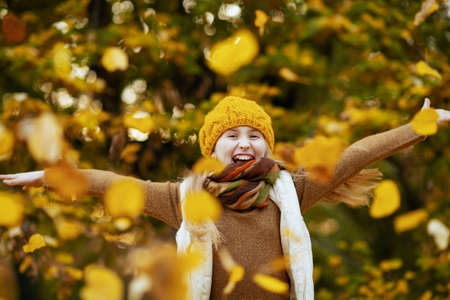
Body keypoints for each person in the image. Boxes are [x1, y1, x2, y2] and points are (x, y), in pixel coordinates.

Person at [1, 96, 449, 300]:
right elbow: (111, 183)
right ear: (211, 149)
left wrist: (419, 126)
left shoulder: (289, 190)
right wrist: (49, 175)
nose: (244, 142)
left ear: (267, 146)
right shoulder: (183, 198)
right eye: (231, 135)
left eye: (255, 135)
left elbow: (355, 155)